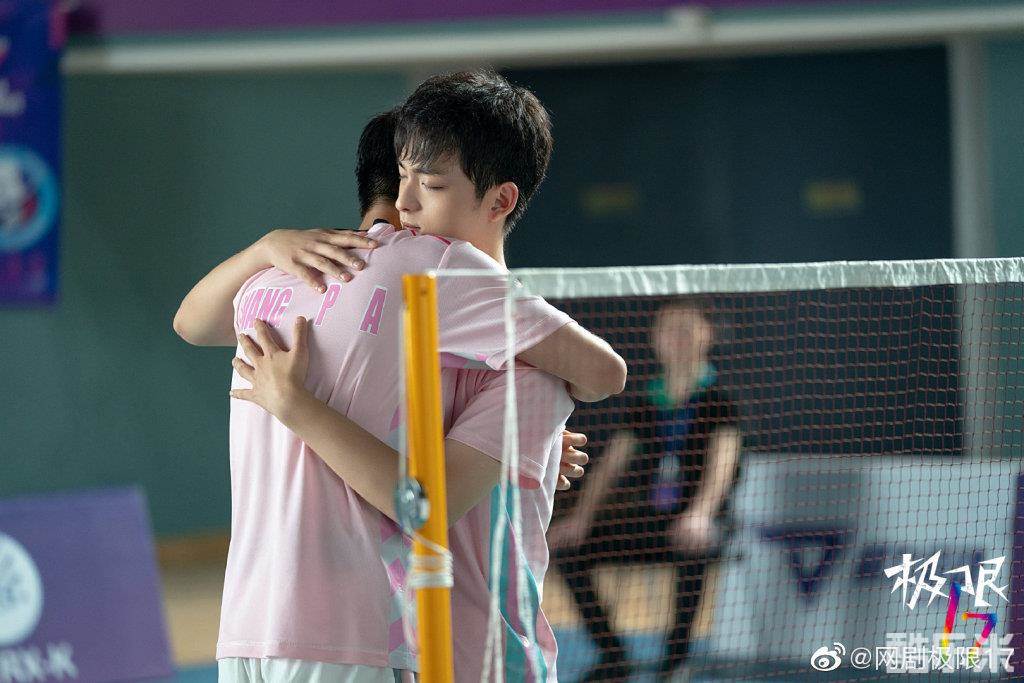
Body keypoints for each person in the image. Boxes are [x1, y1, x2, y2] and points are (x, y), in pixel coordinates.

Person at [174, 70, 626, 682]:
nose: (409, 207)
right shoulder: (442, 273)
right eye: (407, 179)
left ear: (500, 199)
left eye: (431, 184)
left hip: (245, 629)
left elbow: (189, 323)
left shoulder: (272, 282)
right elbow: (603, 373)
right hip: (377, 637)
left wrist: (264, 247)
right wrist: (297, 407)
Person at [548, 302, 742, 681]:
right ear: (655, 340)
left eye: (687, 328)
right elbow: (609, 467)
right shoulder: (646, 404)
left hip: (703, 521)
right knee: (569, 549)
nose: (677, 337)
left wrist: (700, 514)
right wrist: (580, 519)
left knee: (692, 548)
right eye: (669, 329)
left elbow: (722, 466)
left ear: (708, 335)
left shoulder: (721, 402)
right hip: (651, 520)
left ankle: (677, 659)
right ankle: (613, 655)